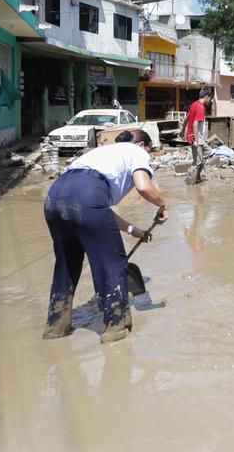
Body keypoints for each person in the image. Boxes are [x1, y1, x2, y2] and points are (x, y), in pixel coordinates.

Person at [42, 129, 169, 344]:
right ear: (142, 145)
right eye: (149, 151)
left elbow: (94, 210)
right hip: (87, 197)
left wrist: (133, 230)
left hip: (55, 198)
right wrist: (163, 204)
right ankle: (115, 329)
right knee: (111, 264)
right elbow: (143, 186)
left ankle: (56, 327)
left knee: (66, 266)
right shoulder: (136, 151)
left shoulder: (99, 154)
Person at [185, 88, 212, 185]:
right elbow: (195, 124)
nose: (210, 100)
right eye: (210, 98)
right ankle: (190, 182)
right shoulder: (200, 107)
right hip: (196, 137)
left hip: (194, 136)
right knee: (196, 162)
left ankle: (197, 176)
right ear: (206, 97)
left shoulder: (194, 104)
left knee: (208, 151)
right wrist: (196, 140)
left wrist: (182, 129)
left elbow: (188, 116)